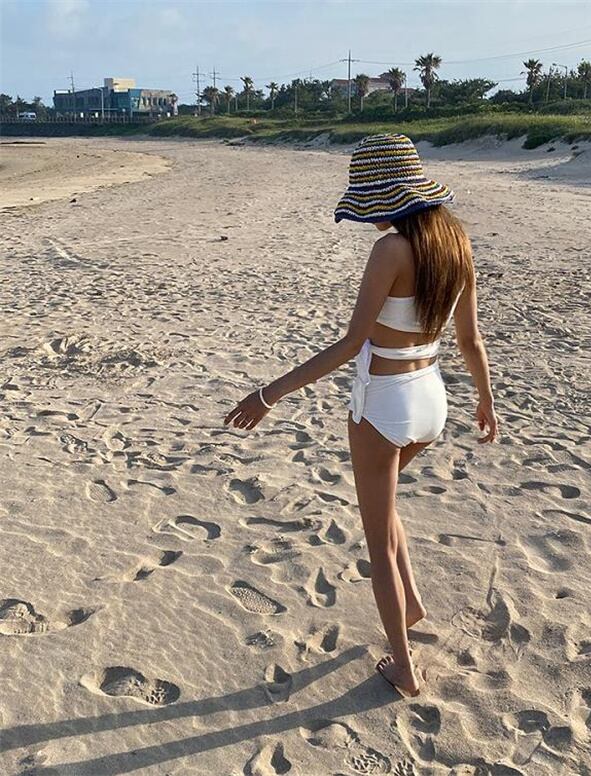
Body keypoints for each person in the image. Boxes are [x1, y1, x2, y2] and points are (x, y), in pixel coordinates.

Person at [225, 133, 497, 698]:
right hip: (433, 399)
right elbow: (470, 340)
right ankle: (412, 604)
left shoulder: (391, 250)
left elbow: (351, 344)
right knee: (386, 505)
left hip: (384, 403)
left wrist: (269, 394)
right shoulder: (457, 243)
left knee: (377, 542)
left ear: (388, 198)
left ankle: (404, 668)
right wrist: (485, 399)